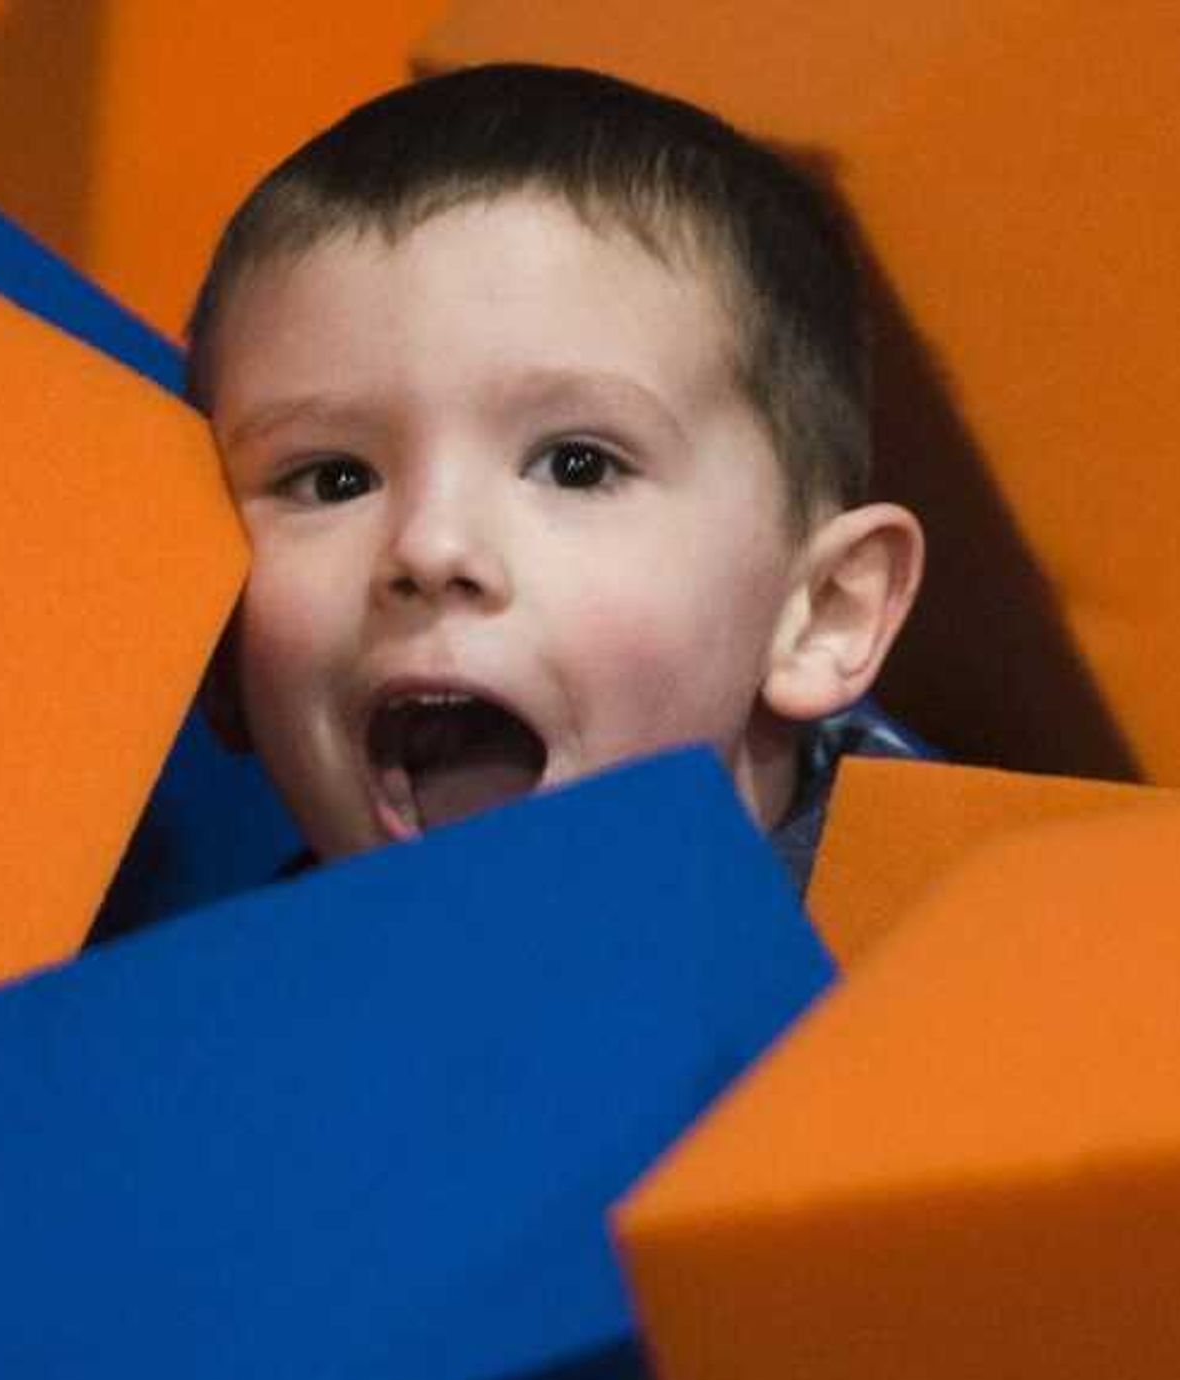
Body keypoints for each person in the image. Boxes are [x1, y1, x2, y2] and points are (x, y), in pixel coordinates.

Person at [183, 64, 929, 886]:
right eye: (334, 480)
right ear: (216, 655)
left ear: (824, 612)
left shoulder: (973, 974)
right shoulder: (202, 1003)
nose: (430, 546)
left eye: (576, 467)